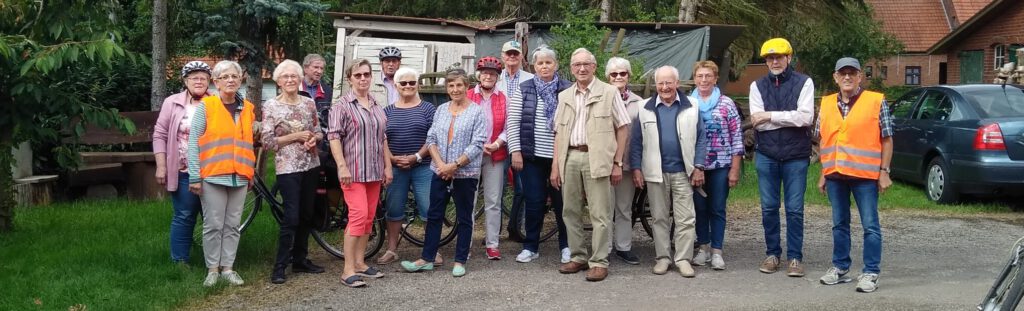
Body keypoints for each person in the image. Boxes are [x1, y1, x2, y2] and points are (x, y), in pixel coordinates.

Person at [551, 48, 631, 282]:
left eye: (586, 64)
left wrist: (617, 162)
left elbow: (623, 127)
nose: (582, 69)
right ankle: (578, 256)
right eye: (577, 65)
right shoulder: (564, 96)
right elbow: (558, 133)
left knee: (600, 213)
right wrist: (556, 166)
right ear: (571, 68)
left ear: (595, 67)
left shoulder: (609, 92)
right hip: (570, 158)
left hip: (598, 158)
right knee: (570, 211)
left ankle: (599, 262)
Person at [400, 69, 489, 277]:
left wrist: (454, 166)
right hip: (439, 171)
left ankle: (459, 260)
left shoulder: (476, 111)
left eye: (459, 85)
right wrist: (441, 165)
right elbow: (431, 139)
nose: (455, 89)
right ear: (447, 88)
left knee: (464, 217)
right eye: (451, 85)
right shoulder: (440, 110)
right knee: (434, 215)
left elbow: (477, 143)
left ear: (466, 86)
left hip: (465, 174)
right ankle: (427, 258)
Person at [816, 57, 892, 293]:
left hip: (865, 176)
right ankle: (840, 267)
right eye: (843, 73)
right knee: (839, 224)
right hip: (835, 175)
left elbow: (887, 139)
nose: (847, 77)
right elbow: (822, 139)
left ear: (860, 76)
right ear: (835, 77)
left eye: (852, 73)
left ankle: (870, 272)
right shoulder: (826, 103)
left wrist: (884, 171)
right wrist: (823, 172)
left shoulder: (876, 101)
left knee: (870, 225)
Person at [629, 66, 708, 278]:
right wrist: (636, 168)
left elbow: (701, 138)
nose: (665, 87)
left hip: (684, 171)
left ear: (677, 83)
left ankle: (683, 259)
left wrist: (699, 166)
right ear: (656, 85)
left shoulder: (692, 105)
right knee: (659, 218)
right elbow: (636, 142)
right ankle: (662, 258)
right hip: (655, 173)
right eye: (661, 83)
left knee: (686, 218)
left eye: (669, 83)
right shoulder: (644, 107)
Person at [748, 37, 815, 277]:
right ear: (766, 61)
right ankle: (772, 254)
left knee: (795, 209)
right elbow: (757, 121)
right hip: (767, 154)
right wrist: (787, 117)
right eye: (770, 58)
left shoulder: (804, 82)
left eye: (779, 57)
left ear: (789, 58)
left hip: (796, 155)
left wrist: (770, 116)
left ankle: (795, 258)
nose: (774, 61)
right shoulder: (757, 86)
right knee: (769, 208)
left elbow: (805, 118)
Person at [187, 60, 257, 287]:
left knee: (232, 225)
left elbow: (247, 142)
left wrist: (250, 173)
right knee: (213, 224)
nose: (230, 80)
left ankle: (228, 268)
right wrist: (195, 177)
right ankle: (212, 270)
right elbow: (193, 144)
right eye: (224, 77)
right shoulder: (206, 107)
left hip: (240, 176)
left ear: (240, 80)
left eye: (234, 77)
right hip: (213, 176)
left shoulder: (247, 108)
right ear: (215, 82)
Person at [328, 58, 393, 288]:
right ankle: (347, 270)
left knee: (368, 218)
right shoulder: (342, 106)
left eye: (366, 74)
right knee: (357, 216)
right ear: (350, 79)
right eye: (358, 75)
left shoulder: (376, 104)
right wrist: (341, 166)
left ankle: (360, 262)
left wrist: (387, 166)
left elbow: (382, 138)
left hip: (374, 172)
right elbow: (334, 137)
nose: (363, 78)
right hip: (353, 171)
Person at [261, 60, 326, 284]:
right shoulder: (271, 106)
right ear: (278, 81)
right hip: (287, 167)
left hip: (310, 164)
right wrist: (295, 137)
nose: (290, 80)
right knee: (291, 216)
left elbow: (318, 132)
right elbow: (267, 141)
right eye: (285, 77)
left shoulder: (308, 103)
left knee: (307, 213)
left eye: (294, 76)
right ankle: (280, 265)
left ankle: (300, 260)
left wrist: (311, 139)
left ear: (300, 80)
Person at [506, 46, 572, 264]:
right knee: (534, 202)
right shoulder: (524, 89)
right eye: (540, 63)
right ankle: (531, 246)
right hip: (531, 156)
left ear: (556, 65)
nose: (544, 66)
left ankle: (566, 246)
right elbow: (513, 122)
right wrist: (515, 151)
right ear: (534, 67)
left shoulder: (567, 89)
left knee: (563, 203)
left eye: (548, 62)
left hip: (561, 157)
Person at [154, 61, 211, 264]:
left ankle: (214, 263)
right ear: (185, 81)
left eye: (203, 78)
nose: (199, 81)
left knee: (212, 219)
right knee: (185, 215)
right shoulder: (173, 102)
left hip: (211, 172)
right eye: (194, 77)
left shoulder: (215, 102)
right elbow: (159, 135)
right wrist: (161, 166)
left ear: (209, 81)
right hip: (183, 171)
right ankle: (180, 262)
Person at [689, 60, 744, 271]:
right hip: (696, 167)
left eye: (708, 76)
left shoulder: (726, 104)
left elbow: (736, 137)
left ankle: (717, 251)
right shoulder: (688, 103)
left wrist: (735, 168)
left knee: (717, 208)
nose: (704, 80)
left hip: (721, 165)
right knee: (700, 208)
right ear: (694, 79)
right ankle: (702, 248)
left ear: (715, 78)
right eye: (700, 76)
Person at [378, 67, 436, 265]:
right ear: (396, 86)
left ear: (417, 85)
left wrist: (416, 157)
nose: (408, 86)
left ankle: (431, 251)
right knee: (394, 209)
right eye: (404, 83)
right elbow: (382, 139)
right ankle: (392, 249)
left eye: (412, 82)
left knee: (429, 208)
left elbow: (433, 137)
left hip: (423, 166)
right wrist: (392, 159)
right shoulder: (387, 112)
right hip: (395, 167)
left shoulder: (428, 109)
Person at [468, 56, 509, 260]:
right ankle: (465, 243)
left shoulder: (503, 98)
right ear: (479, 75)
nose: (488, 76)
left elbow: (509, 127)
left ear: (497, 77)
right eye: (485, 73)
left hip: (495, 154)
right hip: (470, 156)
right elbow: (461, 125)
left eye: (492, 74)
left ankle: (492, 244)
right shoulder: (468, 96)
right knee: (469, 199)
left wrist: (497, 144)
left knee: (493, 201)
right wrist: (475, 146)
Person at [604, 57, 643, 265]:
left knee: (624, 207)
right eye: (614, 74)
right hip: (604, 164)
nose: (619, 77)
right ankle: (605, 248)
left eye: (623, 73)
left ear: (629, 76)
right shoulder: (601, 98)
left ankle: (624, 247)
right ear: (608, 77)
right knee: (604, 209)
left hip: (626, 164)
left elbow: (639, 136)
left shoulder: (638, 103)